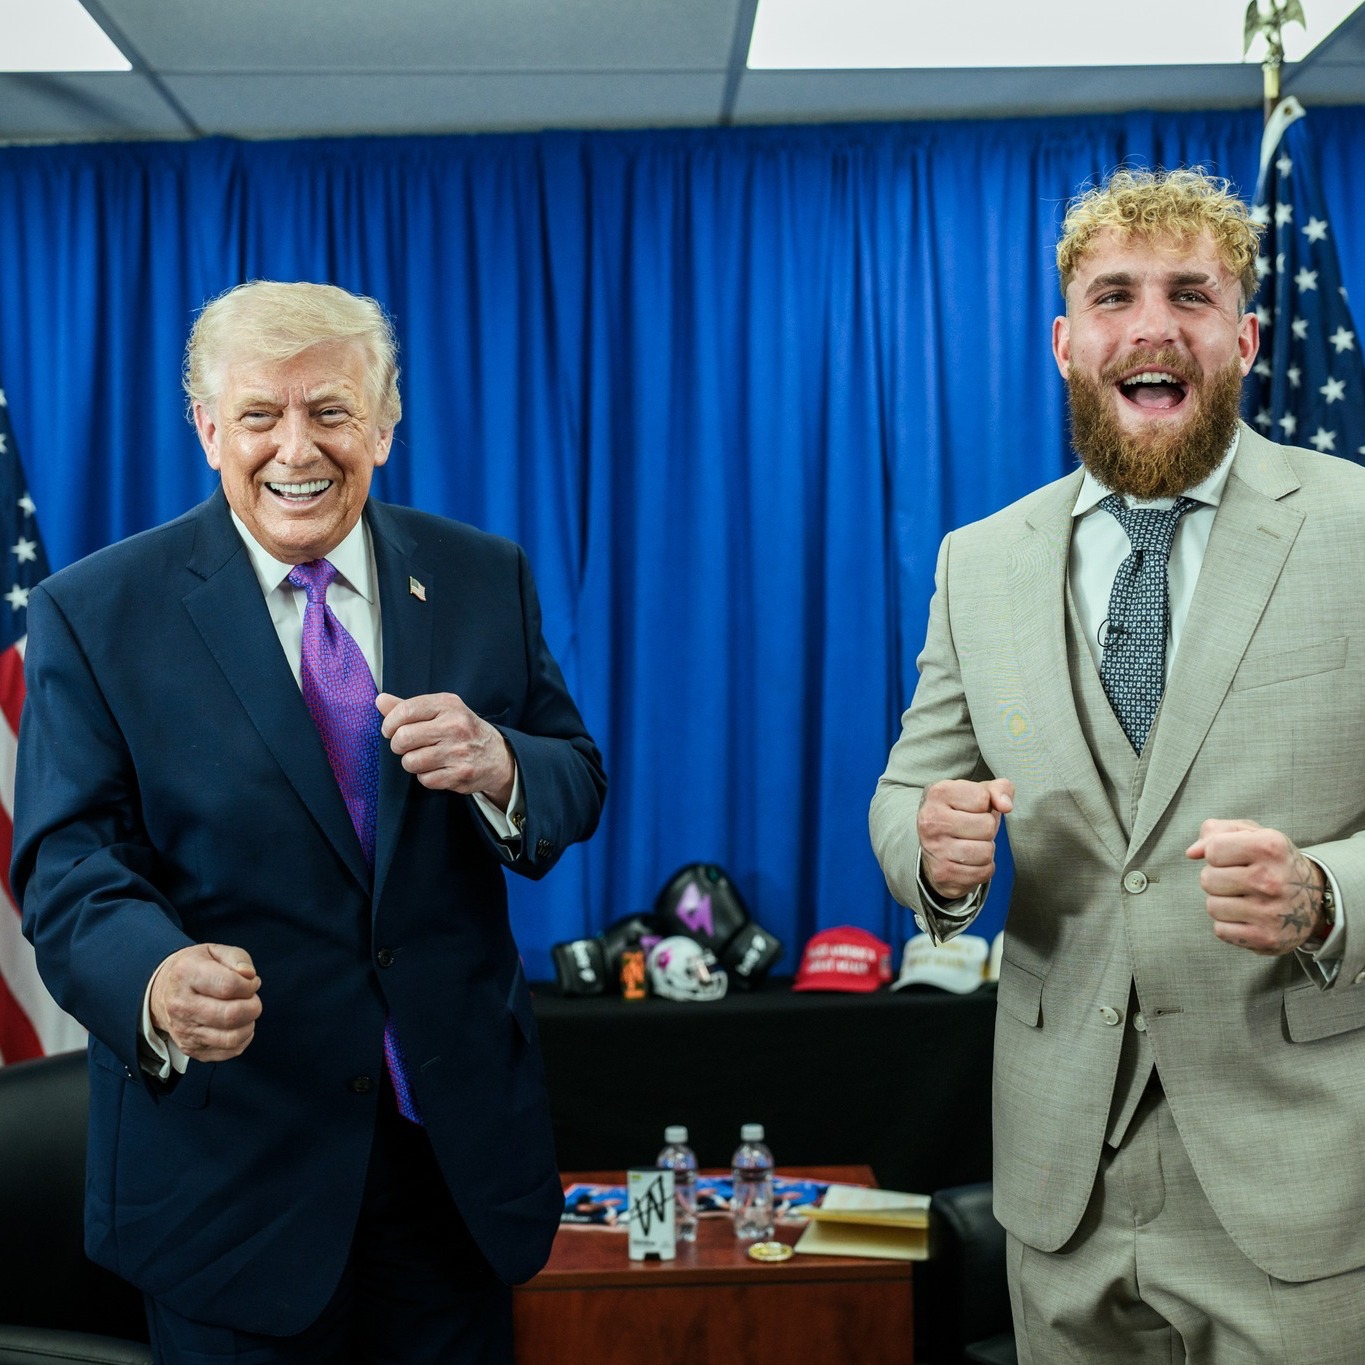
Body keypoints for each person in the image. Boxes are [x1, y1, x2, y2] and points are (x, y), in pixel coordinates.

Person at [13, 280, 607, 1363]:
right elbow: (67, 863)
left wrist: (503, 765)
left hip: (452, 1174)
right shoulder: (96, 613)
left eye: (331, 411)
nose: (299, 447)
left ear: (383, 423)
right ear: (207, 430)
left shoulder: (482, 578)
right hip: (233, 1183)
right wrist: (152, 977)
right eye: (260, 416)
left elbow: (575, 778)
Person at [870, 167, 1365, 1363]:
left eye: (1190, 295)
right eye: (1115, 296)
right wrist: (933, 858)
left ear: (1243, 337)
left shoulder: (1356, 527)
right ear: (1066, 341)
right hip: (1061, 1183)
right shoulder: (978, 562)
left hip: (1299, 1175)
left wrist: (1326, 892)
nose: (1152, 325)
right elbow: (907, 794)